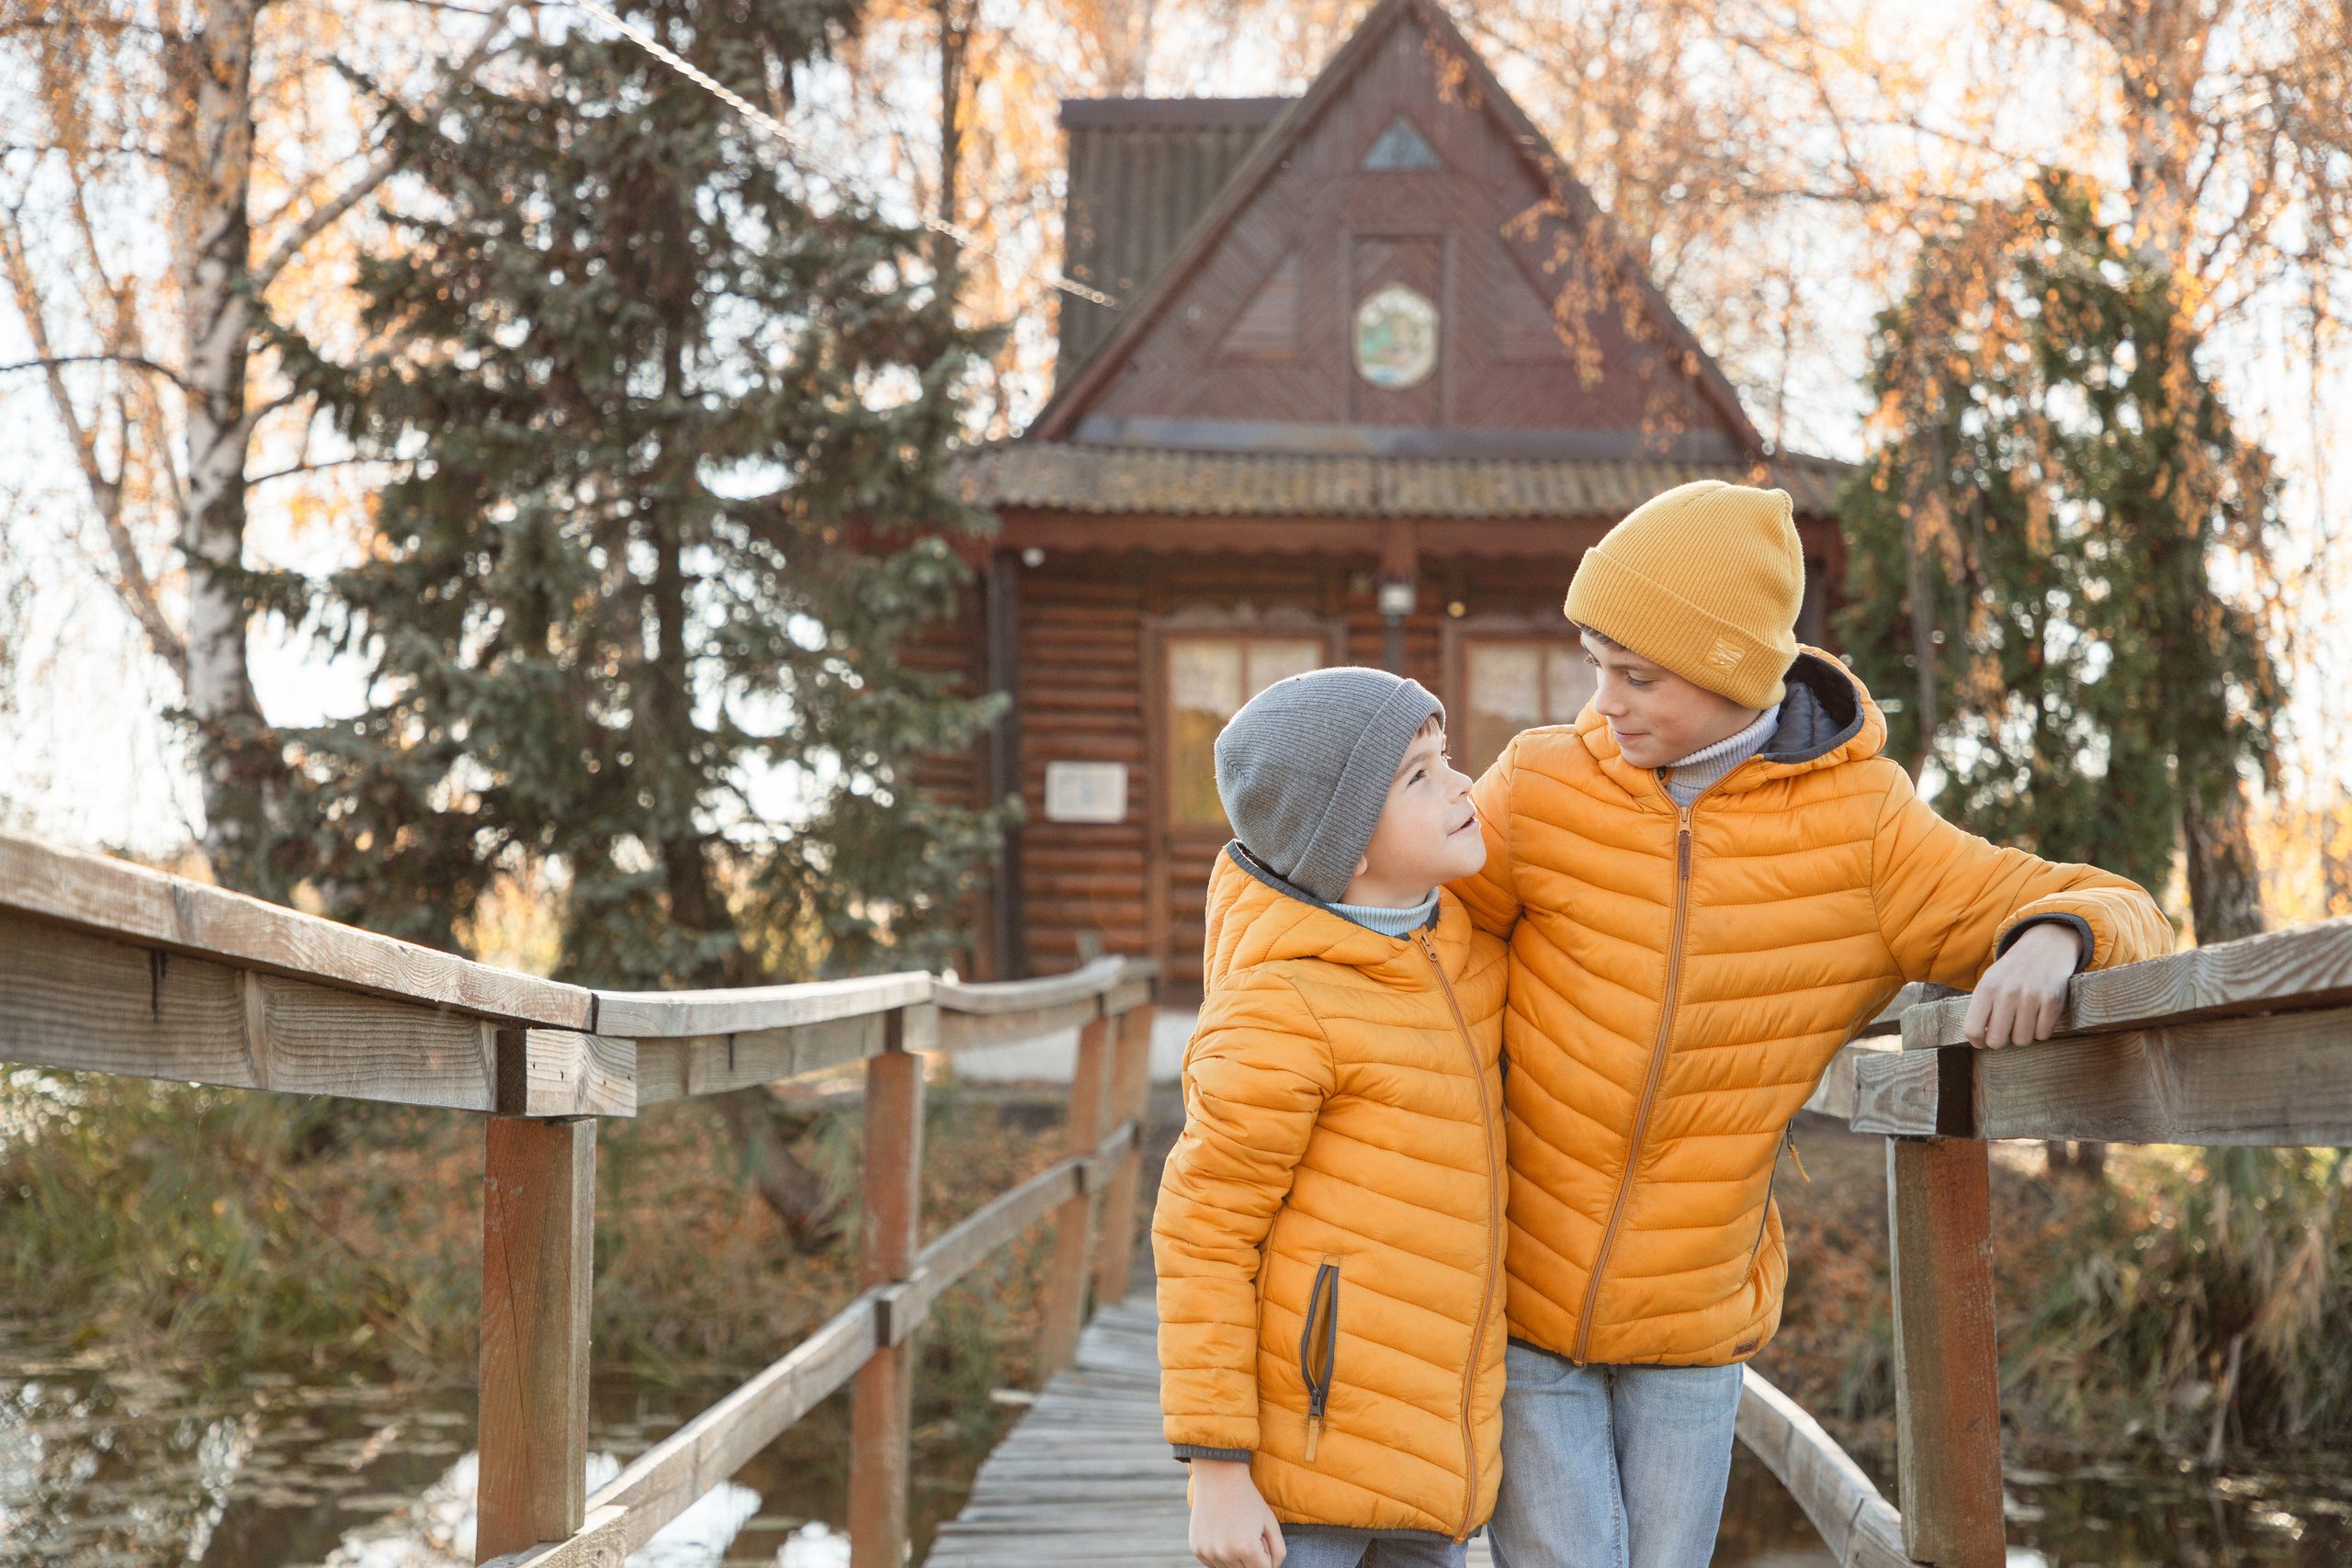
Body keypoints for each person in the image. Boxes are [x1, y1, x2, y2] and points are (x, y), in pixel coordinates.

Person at [1453, 479, 2172, 1568]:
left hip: (1693, 1327)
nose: (1603, 702)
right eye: (1597, 667)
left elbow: (2124, 901)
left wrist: (2051, 936)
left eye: (1635, 675)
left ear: (1734, 669)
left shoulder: (1865, 829)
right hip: (1516, 1291)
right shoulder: (1542, 785)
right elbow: (1418, 926)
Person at [1155, 667, 1510, 1568]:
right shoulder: (1276, 1008)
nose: (1464, 785)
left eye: (1447, 759)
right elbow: (1204, 1236)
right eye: (1419, 777)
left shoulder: (1460, 951)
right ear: (1347, 845)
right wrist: (1217, 1471)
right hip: (1303, 1481)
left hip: (1433, 1468)